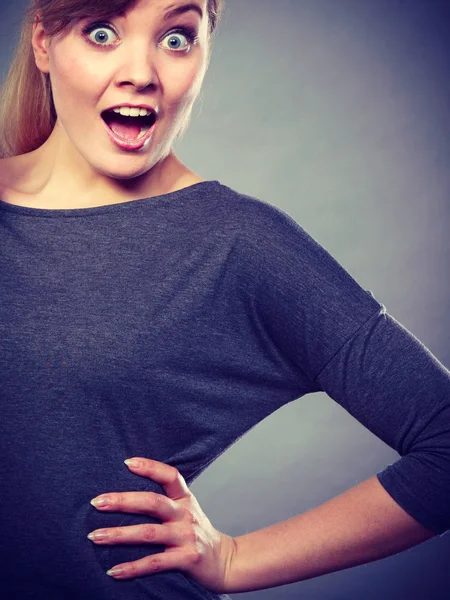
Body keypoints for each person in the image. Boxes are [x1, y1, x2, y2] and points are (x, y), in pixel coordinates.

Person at [0, 0, 449, 599]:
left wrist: (235, 559)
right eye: (102, 32)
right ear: (43, 43)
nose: (142, 72)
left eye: (177, 38)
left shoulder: (240, 243)